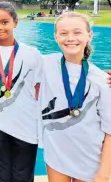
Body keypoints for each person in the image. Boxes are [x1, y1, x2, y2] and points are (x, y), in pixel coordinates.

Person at [40, 12, 111, 182]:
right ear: (56, 36)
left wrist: (103, 174)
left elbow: (110, 130)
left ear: (89, 35)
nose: (70, 38)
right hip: (56, 153)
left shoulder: (102, 81)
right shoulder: (45, 64)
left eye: (77, 32)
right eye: (64, 33)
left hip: (89, 157)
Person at [0, 2, 43, 182]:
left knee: (23, 175)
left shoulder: (32, 54)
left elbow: (48, 82)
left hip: (25, 123)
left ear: (15, 22)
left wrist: (100, 76)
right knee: (0, 175)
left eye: (5, 22)